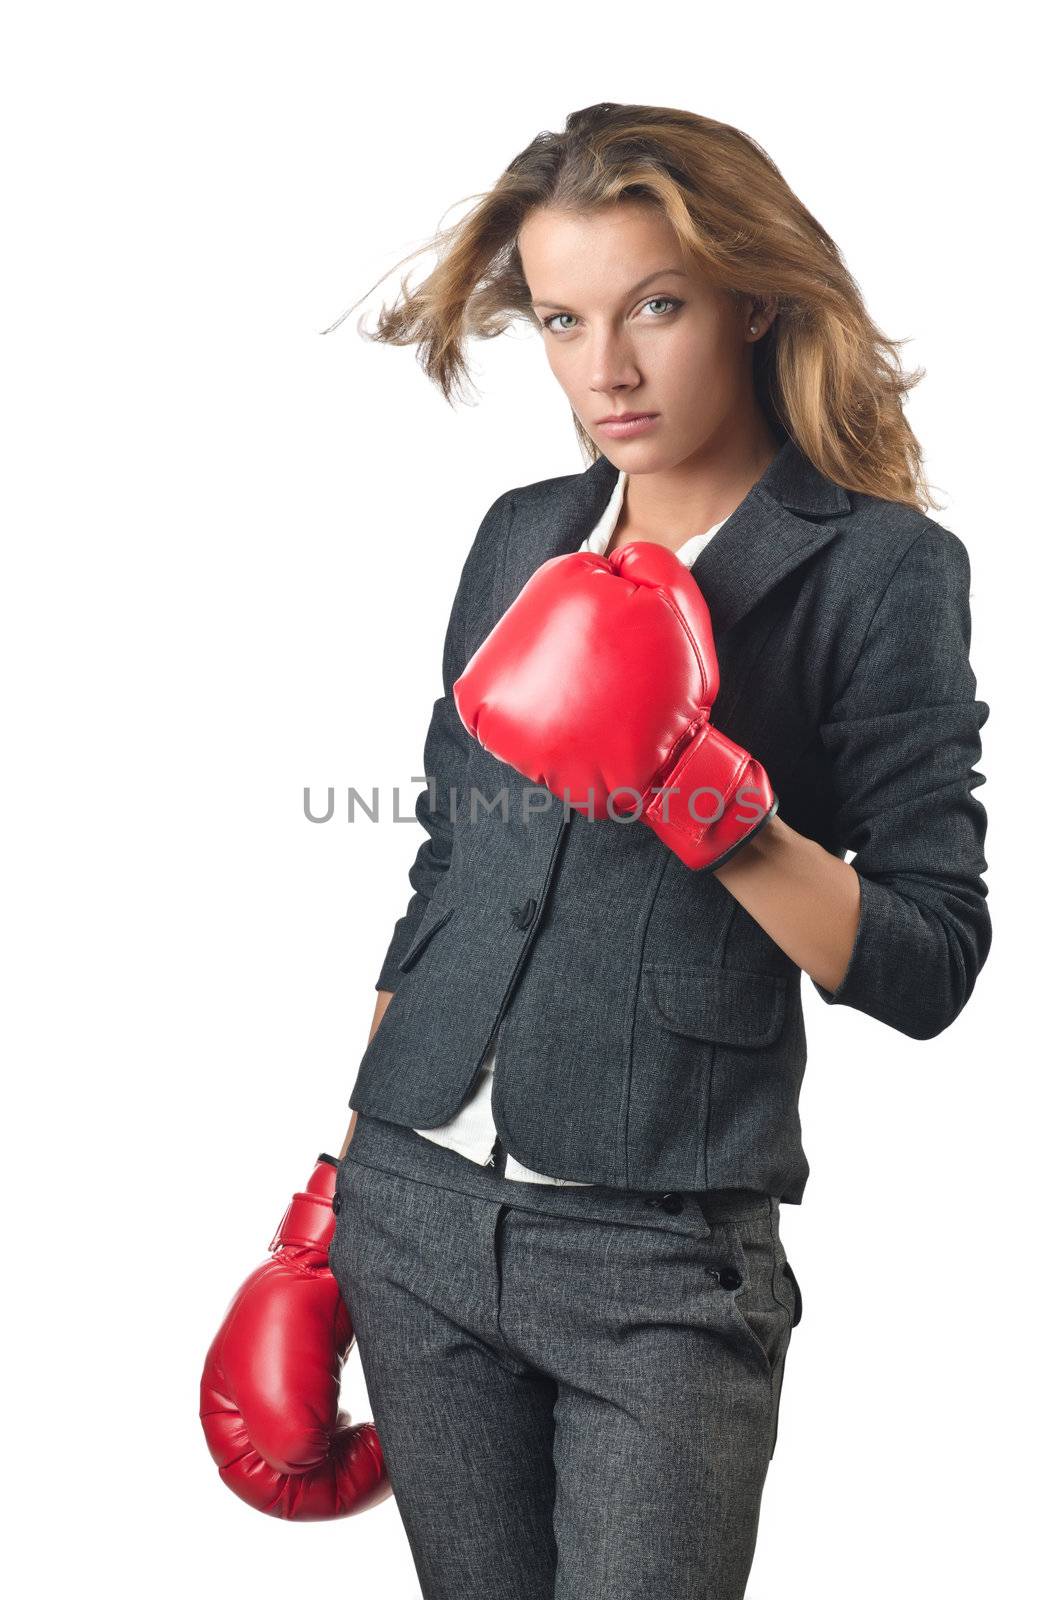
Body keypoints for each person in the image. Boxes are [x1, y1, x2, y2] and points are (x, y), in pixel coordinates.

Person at [326, 102, 991, 1598]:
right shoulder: (521, 538)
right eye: (563, 320)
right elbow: (446, 875)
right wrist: (326, 1207)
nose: (604, 369)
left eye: (657, 308)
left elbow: (931, 958)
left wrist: (708, 798)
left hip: (655, 1259)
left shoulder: (877, 569)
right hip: (417, 1220)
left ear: (751, 299)